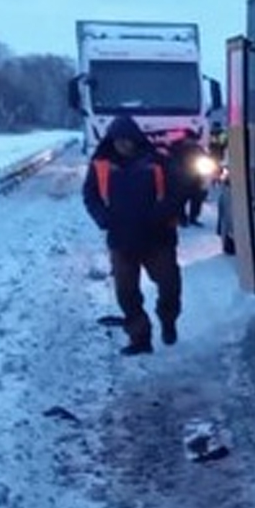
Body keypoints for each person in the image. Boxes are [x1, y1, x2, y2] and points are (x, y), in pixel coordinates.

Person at [82, 115, 183, 355]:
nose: (124, 145)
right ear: (112, 141)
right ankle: (140, 338)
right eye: (119, 141)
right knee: (127, 293)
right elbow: (90, 196)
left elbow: (176, 192)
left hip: (158, 237)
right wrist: (103, 218)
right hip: (121, 239)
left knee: (169, 286)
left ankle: (168, 320)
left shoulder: (158, 162)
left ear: (136, 138)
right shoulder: (100, 165)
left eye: (128, 140)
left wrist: (160, 214)